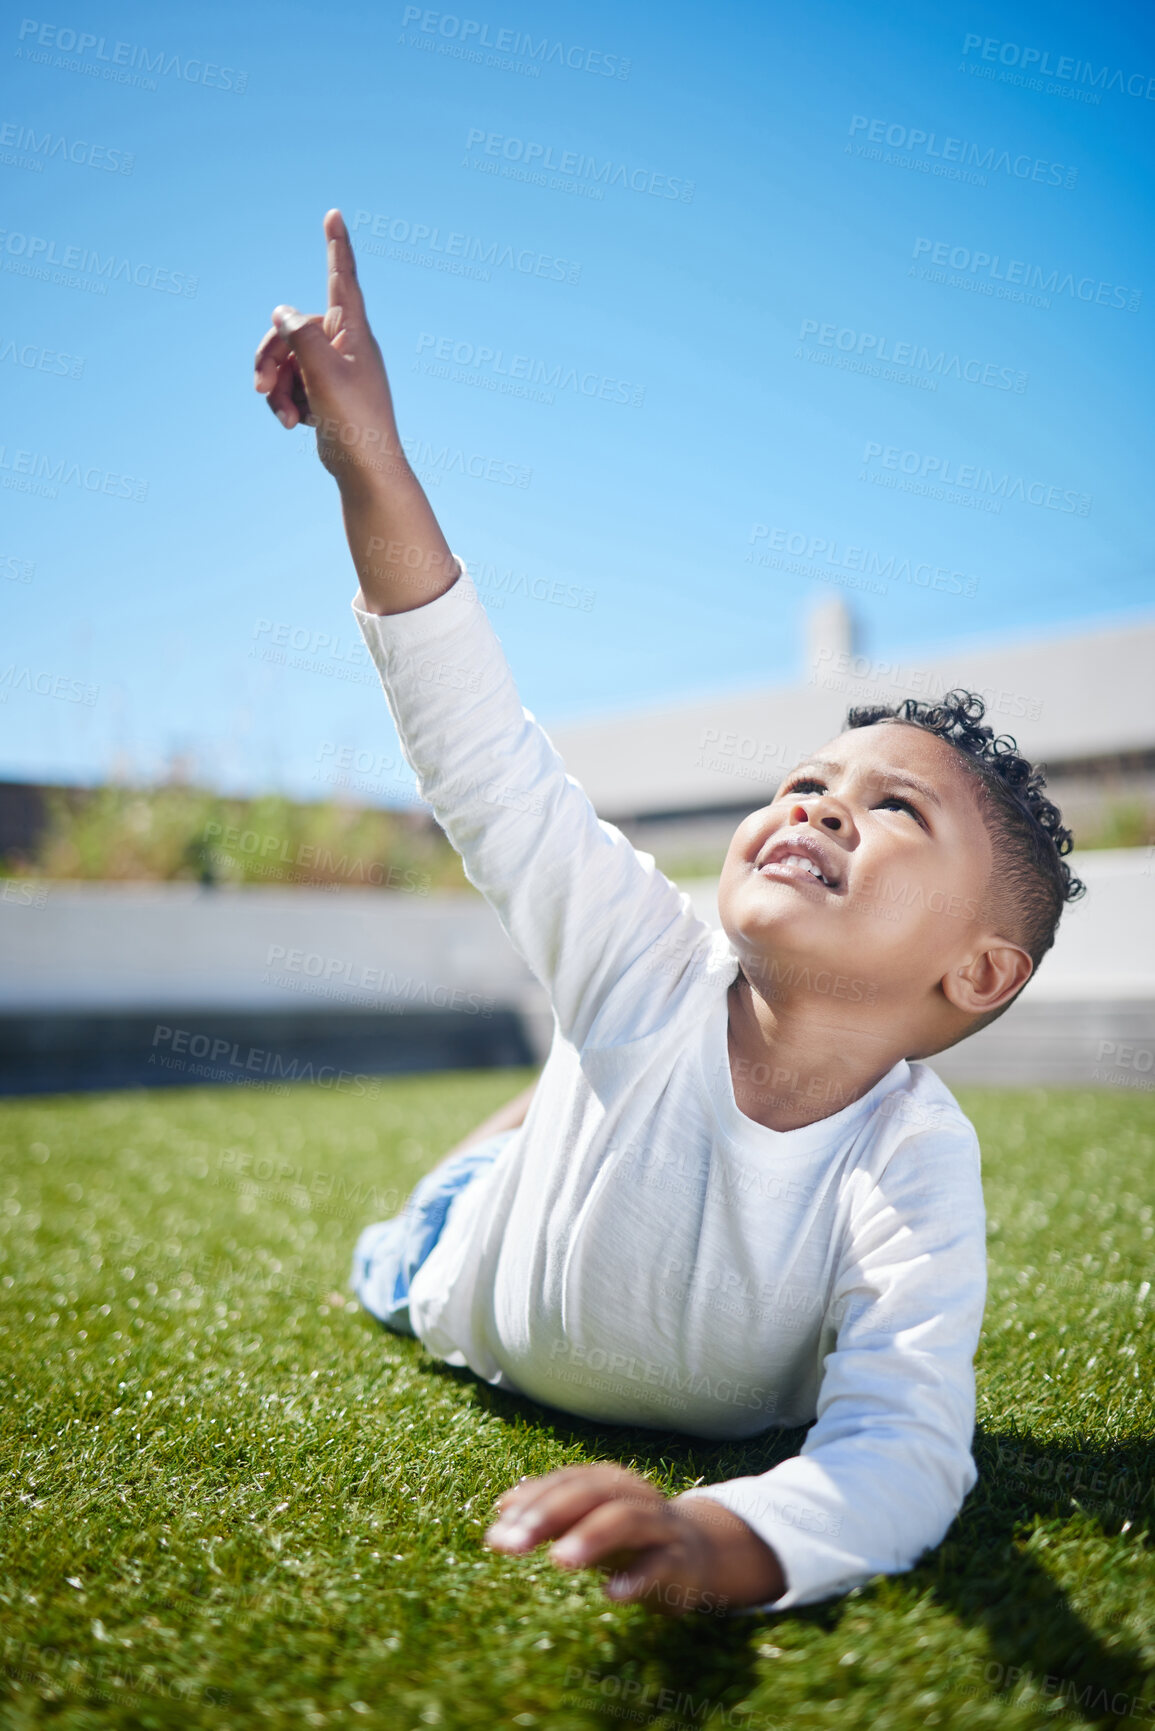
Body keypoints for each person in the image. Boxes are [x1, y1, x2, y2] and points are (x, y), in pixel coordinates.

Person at [253, 209, 1085, 1618]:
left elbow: (904, 1450)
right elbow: (479, 749)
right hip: (462, 1266)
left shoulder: (914, 1171)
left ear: (980, 971)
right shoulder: (653, 957)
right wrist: (369, 460)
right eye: (811, 779)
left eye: (895, 810)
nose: (821, 803)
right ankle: (534, 1116)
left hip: (639, 1186)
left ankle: (558, 1092)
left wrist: (724, 1539)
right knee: (407, 1236)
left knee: (598, 1053)